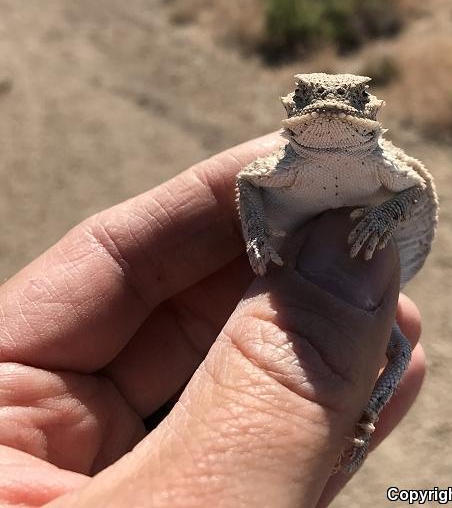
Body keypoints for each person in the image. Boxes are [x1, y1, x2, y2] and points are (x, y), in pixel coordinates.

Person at [0, 133, 425, 508]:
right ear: (294, 108)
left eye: (354, 98)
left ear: (370, 111)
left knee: (400, 351)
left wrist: (383, 215)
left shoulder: (380, 159)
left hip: (370, 262)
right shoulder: (287, 160)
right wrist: (256, 232)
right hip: (329, 266)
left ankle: (368, 413)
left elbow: (415, 188)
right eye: (308, 95)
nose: (332, 107)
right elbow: (246, 181)